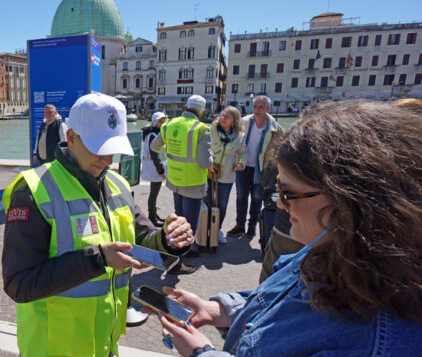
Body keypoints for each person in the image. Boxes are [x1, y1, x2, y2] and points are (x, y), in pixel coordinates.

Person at [149, 100, 422, 356]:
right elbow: (274, 302)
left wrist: (202, 352)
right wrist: (218, 308)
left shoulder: (379, 340)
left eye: (286, 191)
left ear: (349, 201)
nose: (279, 205)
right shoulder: (328, 249)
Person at [2, 93, 195, 356]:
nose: (108, 159)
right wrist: (98, 259)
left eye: (112, 148)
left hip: (104, 342)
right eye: (99, 148)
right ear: (71, 138)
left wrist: (168, 238)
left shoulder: (118, 185)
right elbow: (19, 284)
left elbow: (142, 236)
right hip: (53, 348)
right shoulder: (33, 190)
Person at [150, 95, 213, 257]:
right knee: (190, 223)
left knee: (179, 219)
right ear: (202, 112)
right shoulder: (202, 129)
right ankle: (185, 254)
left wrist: (170, 149)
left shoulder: (169, 124)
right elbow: (204, 163)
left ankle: (177, 250)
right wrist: (211, 155)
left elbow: (154, 147)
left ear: (186, 107)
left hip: (175, 180)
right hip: (193, 181)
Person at [227, 96, 284, 239]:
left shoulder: (276, 128)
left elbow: (280, 150)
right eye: (255, 107)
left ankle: (252, 226)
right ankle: (239, 225)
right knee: (241, 197)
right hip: (243, 165)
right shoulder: (244, 122)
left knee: (257, 198)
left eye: (261, 107)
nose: (257, 110)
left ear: (268, 109)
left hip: (262, 168)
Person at [205, 107, 247, 244]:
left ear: (234, 121)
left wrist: (241, 163)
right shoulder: (210, 130)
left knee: (222, 204)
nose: (223, 118)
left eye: (227, 117)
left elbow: (243, 152)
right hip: (209, 172)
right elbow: (202, 148)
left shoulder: (240, 136)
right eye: (223, 115)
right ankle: (204, 231)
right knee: (206, 202)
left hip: (227, 174)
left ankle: (217, 230)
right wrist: (208, 160)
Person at [141, 111, 167, 227]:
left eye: (163, 121)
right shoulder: (153, 135)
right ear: (155, 122)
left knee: (153, 193)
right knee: (153, 194)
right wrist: (161, 170)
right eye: (160, 121)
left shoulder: (151, 133)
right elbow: (155, 155)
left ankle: (154, 215)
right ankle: (152, 217)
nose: (162, 124)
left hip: (152, 167)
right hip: (154, 168)